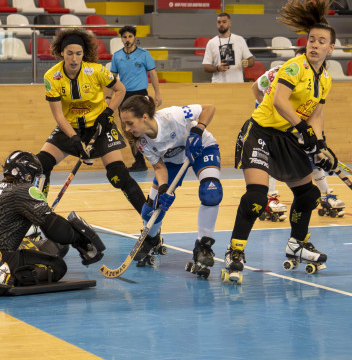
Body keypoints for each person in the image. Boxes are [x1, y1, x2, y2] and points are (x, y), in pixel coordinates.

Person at [227, 0, 340, 282]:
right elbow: (279, 100)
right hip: (261, 132)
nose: (315, 45)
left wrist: (321, 145)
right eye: (311, 39)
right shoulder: (295, 67)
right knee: (256, 197)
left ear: (331, 48)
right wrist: (302, 130)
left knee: (310, 194)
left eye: (321, 41)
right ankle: (235, 251)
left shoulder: (325, 78)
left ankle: (296, 245)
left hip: (286, 138)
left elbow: (316, 114)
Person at [0, 151, 105, 299]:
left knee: (27, 248)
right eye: (34, 176)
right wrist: (78, 239)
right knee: (58, 266)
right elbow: (53, 227)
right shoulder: (24, 190)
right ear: (27, 174)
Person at [36, 28, 147, 217]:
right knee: (40, 165)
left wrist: (108, 112)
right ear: (61, 53)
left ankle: (151, 224)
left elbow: (120, 90)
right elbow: (58, 116)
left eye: (78, 54)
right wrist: (73, 139)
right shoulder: (51, 77)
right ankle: (36, 216)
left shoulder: (96, 71)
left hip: (100, 126)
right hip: (69, 127)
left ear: (83, 54)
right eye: (69, 53)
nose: (73, 59)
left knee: (119, 176)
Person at [119, 96, 222, 276]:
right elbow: (159, 166)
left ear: (144, 116)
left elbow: (209, 107)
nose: (127, 129)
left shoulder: (173, 115)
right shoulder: (141, 141)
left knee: (211, 192)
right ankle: (151, 239)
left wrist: (198, 131)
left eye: (130, 123)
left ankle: (203, 245)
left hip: (202, 147)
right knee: (151, 209)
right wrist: (165, 188)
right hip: (171, 163)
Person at [251, 60, 345, 221]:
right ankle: (270, 197)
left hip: (295, 120)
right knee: (271, 157)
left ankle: (326, 195)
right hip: (270, 121)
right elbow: (255, 87)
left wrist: (319, 142)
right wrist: (268, 109)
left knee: (312, 154)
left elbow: (315, 111)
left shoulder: (318, 79)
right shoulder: (278, 72)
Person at [110, 25, 163, 172]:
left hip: (140, 94)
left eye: (130, 37)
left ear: (135, 38)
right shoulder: (117, 56)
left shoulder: (144, 54)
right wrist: (109, 97)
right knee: (129, 131)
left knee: (147, 127)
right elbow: (112, 78)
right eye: (124, 37)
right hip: (124, 95)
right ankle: (139, 162)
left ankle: (158, 157)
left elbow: (153, 74)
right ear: (121, 39)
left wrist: (157, 93)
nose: (127, 40)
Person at [202, 13, 255, 83]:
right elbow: (206, 67)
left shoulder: (239, 40)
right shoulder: (211, 42)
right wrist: (218, 68)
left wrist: (248, 63)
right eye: (219, 22)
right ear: (216, 24)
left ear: (230, 23)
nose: (221, 24)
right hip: (218, 84)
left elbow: (251, 60)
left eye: (224, 22)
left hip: (237, 83)